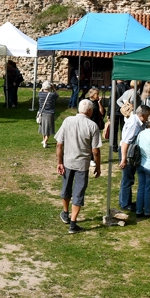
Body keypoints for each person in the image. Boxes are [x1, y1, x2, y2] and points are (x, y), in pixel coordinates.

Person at [54, 99, 102, 234]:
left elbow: (59, 144)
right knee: (78, 192)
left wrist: (59, 162)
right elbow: (95, 151)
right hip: (82, 164)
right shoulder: (92, 126)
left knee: (66, 187)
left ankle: (65, 212)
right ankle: (73, 223)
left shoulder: (67, 121)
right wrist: (98, 167)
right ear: (89, 111)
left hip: (68, 161)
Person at [118, 104, 150, 211]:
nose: (149, 118)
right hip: (128, 152)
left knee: (128, 178)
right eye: (148, 115)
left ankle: (123, 201)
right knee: (128, 178)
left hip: (130, 150)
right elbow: (125, 143)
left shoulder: (137, 120)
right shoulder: (134, 125)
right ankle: (125, 204)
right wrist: (124, 159)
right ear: (142, 115)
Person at [37, 81, 58, 148]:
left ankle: (44, 140)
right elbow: (57, 95)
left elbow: (39, 92)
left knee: (43, 127)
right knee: (49, 128)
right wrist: (53, 87)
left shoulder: (40, 94)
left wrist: (42, 87)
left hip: (42, 112)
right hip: (49, 113)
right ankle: (45, 142)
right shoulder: (51, 95)